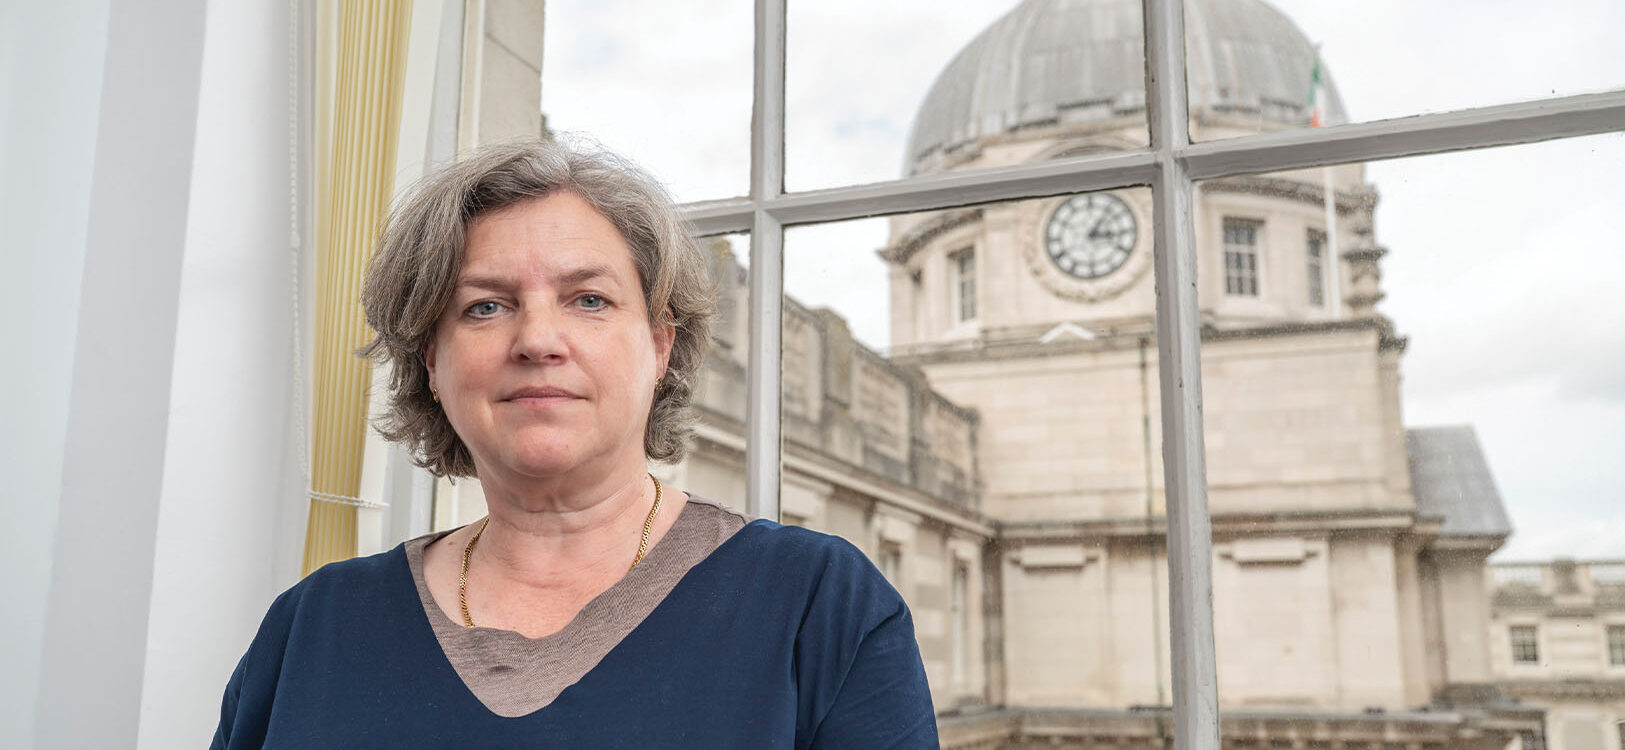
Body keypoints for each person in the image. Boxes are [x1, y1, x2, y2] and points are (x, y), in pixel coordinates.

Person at [211, 139, 939, 748]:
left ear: (660, 345)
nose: (537, 340)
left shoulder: (818, 604)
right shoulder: (312, 626)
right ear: (432, 360)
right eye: (485, 306)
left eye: (589, 299)